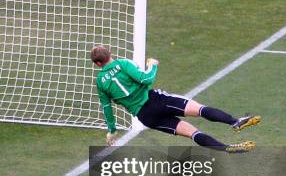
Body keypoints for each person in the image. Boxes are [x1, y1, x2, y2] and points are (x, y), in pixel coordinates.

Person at [91, 45, 260, 153]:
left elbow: (107, 108)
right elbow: (146, 79)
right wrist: (152, 65)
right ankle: (234, 122)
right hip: (156, 100)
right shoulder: (123, 64)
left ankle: (226, 148)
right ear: (109, 54)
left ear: (98, 64)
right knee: (200, 110)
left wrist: (112, 131)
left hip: (145, 116)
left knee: (193, 133)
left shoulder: (100, 82)